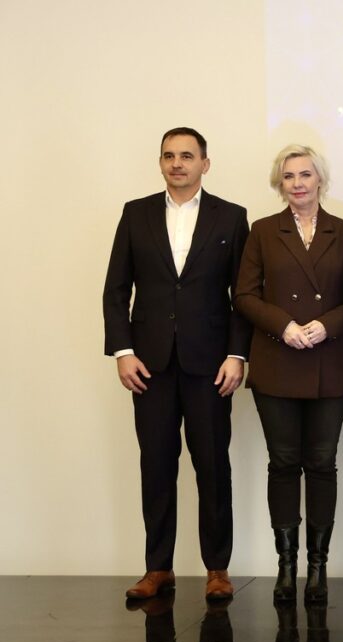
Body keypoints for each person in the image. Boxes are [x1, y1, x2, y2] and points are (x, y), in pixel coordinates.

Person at [103, 127, 251, 601]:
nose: (177, 163)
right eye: (169, 155)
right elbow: (115, 290)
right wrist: (123, 352)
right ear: (161, 163)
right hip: (149, 365)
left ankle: (217, 569)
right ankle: (157, 568)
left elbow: (243, 296)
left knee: (213, 467)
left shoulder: (231, 217)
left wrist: (237, 354)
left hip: (211, 366)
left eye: (187, 156)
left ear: (205, 163)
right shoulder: (136, 213)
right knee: (156, 467)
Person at [234, 145, 343, 603]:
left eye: (305, 174)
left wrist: (327, 325)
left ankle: (318, 569)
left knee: (322, 464)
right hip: (277, 360)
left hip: (329, 361)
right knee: (284, 463)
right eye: (288, 176)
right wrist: (284, 326)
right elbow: (244, 295)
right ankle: (286, 568)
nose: (297, 183)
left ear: (320, 180)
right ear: (280, 183)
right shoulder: (262, 231)